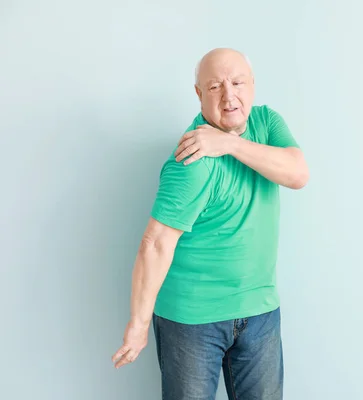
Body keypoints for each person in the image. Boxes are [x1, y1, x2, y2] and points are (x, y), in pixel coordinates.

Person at [111, 48, 309, 400]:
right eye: (216, 86)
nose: (229, 95)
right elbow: (155, 243)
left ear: (252, 85)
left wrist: (230, 146)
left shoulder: (267, 123)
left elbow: (297, 173)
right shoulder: (192, 159)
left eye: (237, 83)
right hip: (192, 320)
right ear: (199, 93)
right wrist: (138, 325)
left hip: (260, 311)